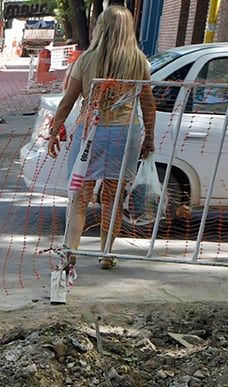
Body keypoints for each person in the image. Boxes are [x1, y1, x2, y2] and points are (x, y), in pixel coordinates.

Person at [47, 4, 154, 270]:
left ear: (100, 29)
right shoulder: (139, 61)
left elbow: (67, 101)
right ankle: (106, 253)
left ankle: (70, 250)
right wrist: (149, 138)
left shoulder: (86, 60)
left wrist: (54, 132)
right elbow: (148, 104)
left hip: (90, 133)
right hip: (124, 133)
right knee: (113, 196)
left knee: (80, 195)